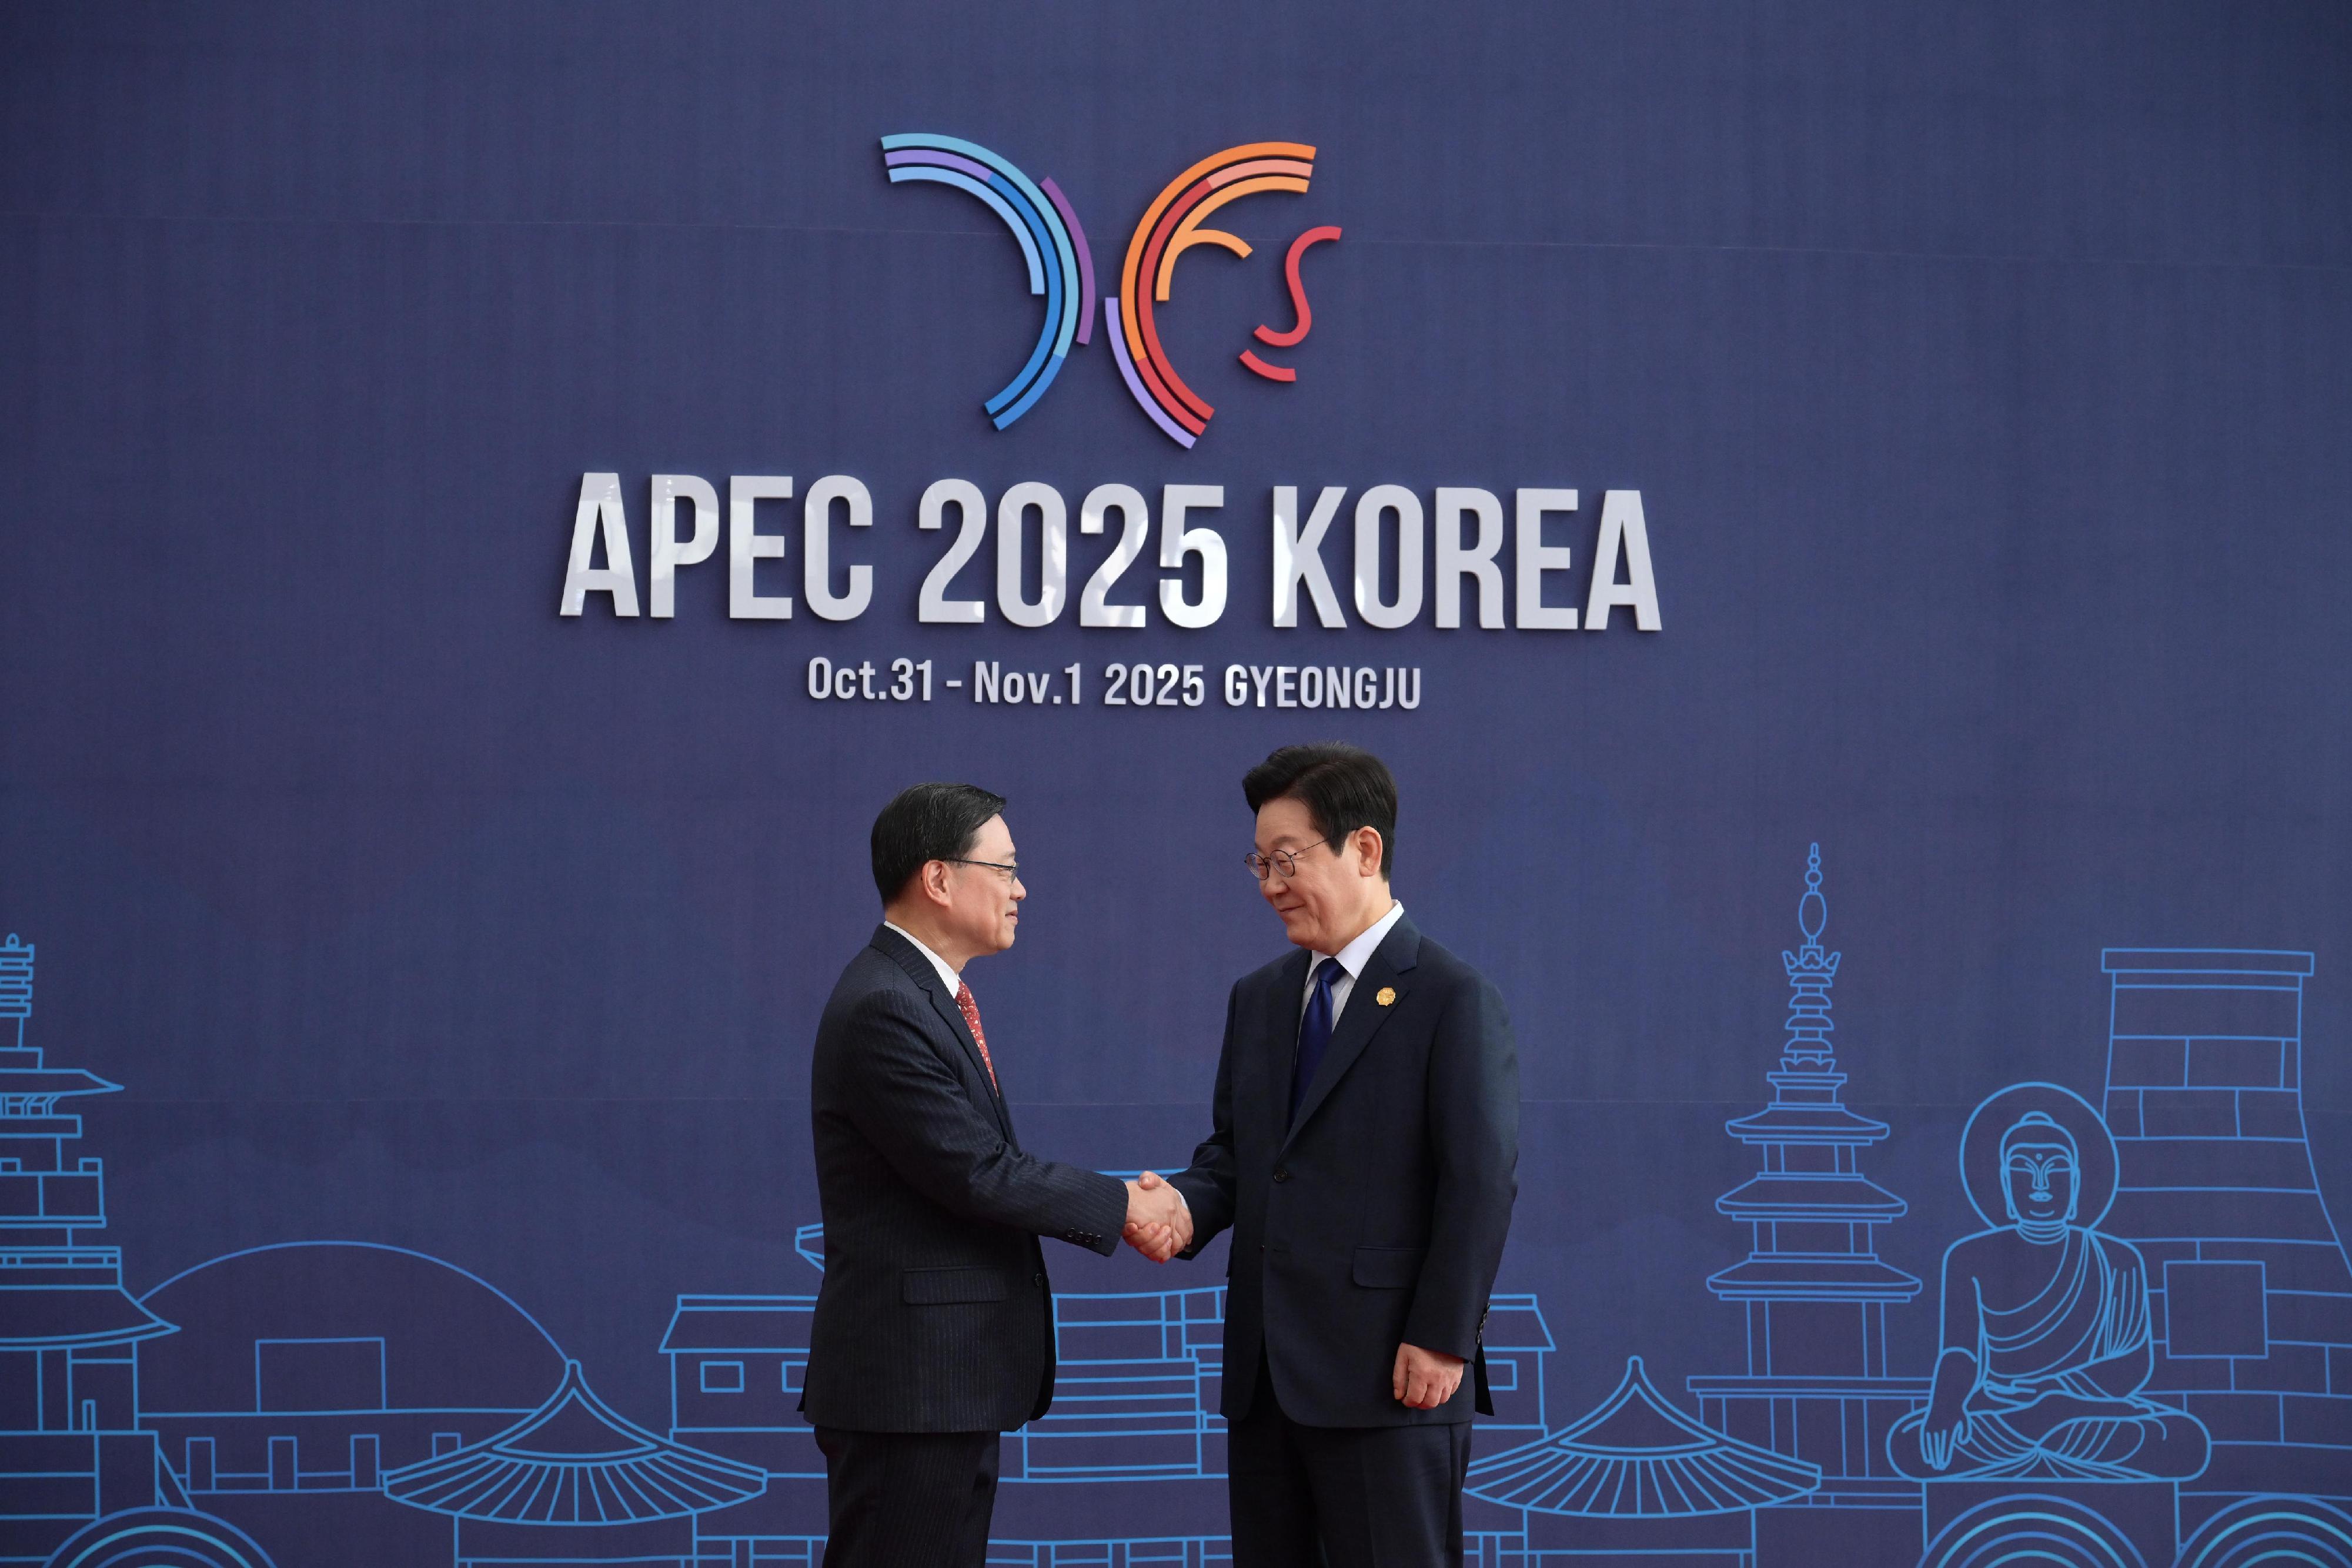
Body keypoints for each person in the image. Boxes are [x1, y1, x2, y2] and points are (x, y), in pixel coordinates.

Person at [1130, 743, 1520, 1567]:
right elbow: (1240, 1155)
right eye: (1259, 862)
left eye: (1286, 859)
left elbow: (1479, 1179)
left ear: (1365, 848)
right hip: (1268, 1378)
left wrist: (1444, 1334)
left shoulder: (1450, 997)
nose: (1269, 883)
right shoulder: (1262, 996)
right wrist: (1183, 1206)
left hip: (1392, 1374)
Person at [802, 781, 1189, 1568]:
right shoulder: (886, 1006)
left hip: (946, 1384)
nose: (1021, 887)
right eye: (1004, 867)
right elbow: (978, 1171)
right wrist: (1123, 1204)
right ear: (938, 877)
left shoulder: (924, 996)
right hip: (911, 1390)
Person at [1887, 1110, 2208, 1481]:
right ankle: (2043, 1429)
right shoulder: (1968, 1257)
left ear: (2076, 1182)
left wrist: (2054, 1393)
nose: (2040, 1185)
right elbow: (1961, 1352)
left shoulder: (2118, 1259)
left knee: (2183, 1440)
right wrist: (1945, 1403)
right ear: (2006, 1185)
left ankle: (2048, 1425)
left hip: (2085, 1410)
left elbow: (2135, 1362)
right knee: (1911, 1443)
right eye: (2023, 1170)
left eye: (2056, 1169)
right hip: (2003, 1409)